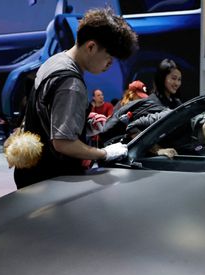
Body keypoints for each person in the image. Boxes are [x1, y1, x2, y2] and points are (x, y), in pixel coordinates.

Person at [13, 7, 137, 189]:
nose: (110, 65)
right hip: (51, 181)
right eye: (109, 57)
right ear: (91, 47)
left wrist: (81, 126)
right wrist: (104, 153)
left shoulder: (54, 62)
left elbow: (48, 119)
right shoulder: (71, 84)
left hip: (31, 173)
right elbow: (63, 143)